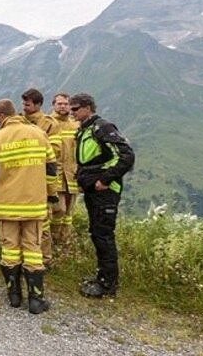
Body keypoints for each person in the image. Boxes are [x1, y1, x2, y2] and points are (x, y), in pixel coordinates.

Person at [0, 98, 58, 314]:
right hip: (34, 205)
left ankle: (14, 296)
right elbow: (50, 170)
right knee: (33, 249)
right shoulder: (39, 134)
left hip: (7, 206)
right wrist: (51, 194)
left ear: (0, 116)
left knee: (9, 250)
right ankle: (36, 300)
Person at [69, 93, 135, 298]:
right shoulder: (84, 129)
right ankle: (103, 278)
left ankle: (107, 284)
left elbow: (126, 156)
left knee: (103, 235)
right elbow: (89, 161)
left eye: (76, 108)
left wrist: (104, 180)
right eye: (71, 108)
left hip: (106, 193)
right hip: (93, 191)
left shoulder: (103, 127)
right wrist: (83, 181)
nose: (72, 112)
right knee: (97, 234)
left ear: (88, 108)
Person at [21, 88, 62, 268]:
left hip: (41, 179)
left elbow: (56, 151)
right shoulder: (18, 121)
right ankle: (24, 256)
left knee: (42, 222)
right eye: (23, 104)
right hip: (21, 177)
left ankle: (45, 259)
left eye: (27, 104)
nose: (24, 107)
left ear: (37, 105)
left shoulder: (49, 124)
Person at [50, 93, 80, 243]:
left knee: (68, 212)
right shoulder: (49, 123)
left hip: (72, 174)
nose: (63, 106)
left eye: (66, 104)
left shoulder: (76, 125)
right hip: (56, 175)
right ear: (54, 105)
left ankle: (64, 240)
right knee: (58, 209)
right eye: (59, 104)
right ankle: (53, 238)